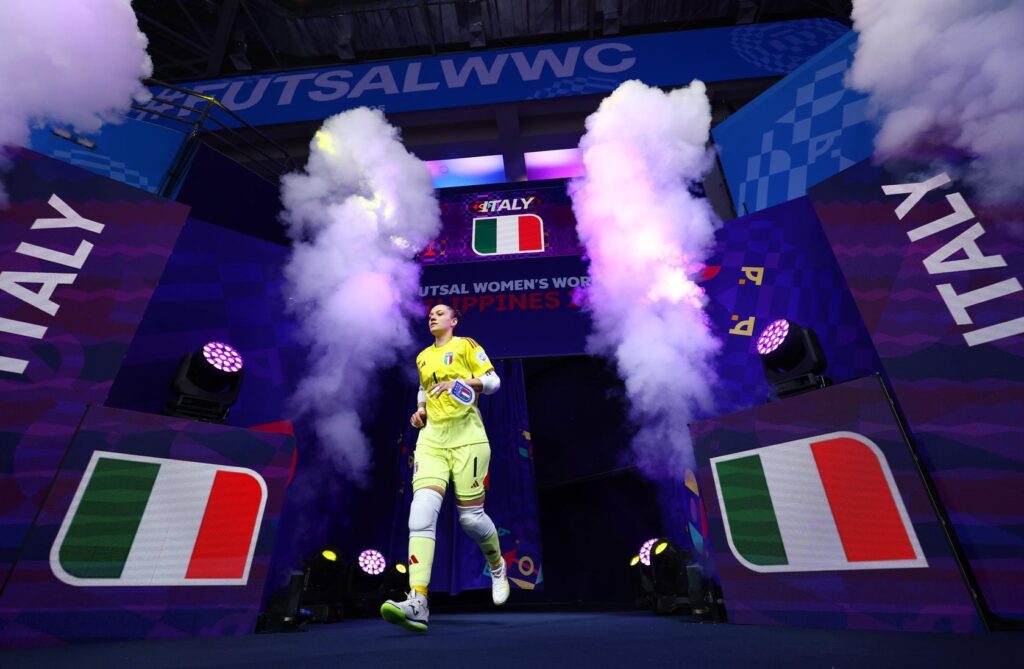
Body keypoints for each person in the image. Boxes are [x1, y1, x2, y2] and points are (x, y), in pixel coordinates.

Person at [380, 303, 509, 632]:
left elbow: (493, 381)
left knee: (471, 519)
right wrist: (420, 411)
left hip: (469, 440)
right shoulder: (423, 357)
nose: (432, 316)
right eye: (430, 314)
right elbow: (423, 389)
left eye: (440, 313)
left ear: (454, 320)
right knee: (420, 515)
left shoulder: (466, 346)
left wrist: (463, 382)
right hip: (432, 442)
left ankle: (497, 566)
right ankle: (418, 601)